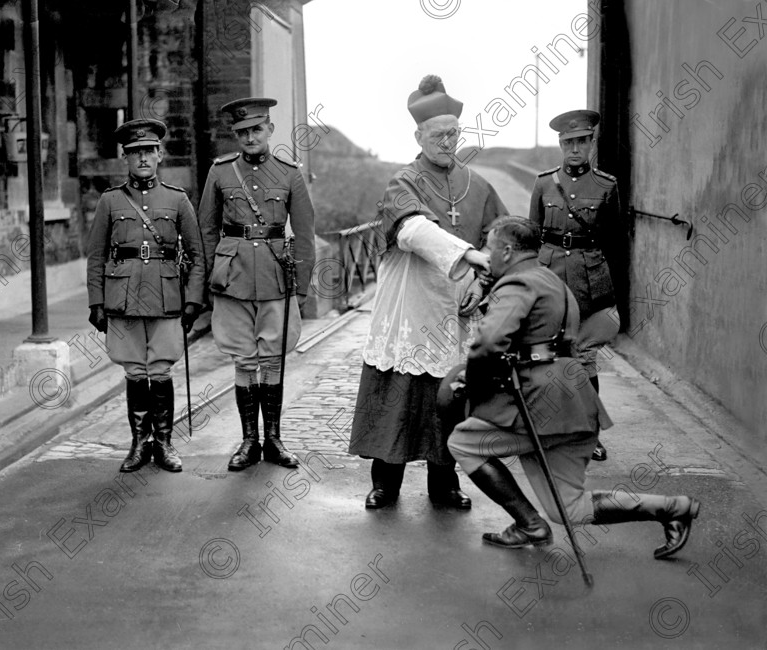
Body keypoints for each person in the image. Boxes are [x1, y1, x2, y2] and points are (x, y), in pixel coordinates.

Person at [446, 216, 699, 559]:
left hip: (538, 402)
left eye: (489, 248)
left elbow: (489, 343)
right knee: (570, 508)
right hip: (572, 401)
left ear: (506, 250)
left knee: (464, 442)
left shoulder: (517, 284)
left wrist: (471, 385)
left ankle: (528, 525)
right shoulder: (552, 280)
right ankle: (673, 507)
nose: (486, 255)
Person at [348, 75, 508, 510]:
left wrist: (483, 281)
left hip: (459, 311)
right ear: (418, 136)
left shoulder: (478, 184)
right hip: (410, 308)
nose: (447, 142)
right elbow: (411, 229)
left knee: (451, 396)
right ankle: (386, 484)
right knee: (398, 395)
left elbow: (503, 241)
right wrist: (470, 256)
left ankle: (445, 484)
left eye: (453, 133)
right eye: (438, 135)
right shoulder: (403, 181)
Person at [198, 97, 315, 472]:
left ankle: (274, 439)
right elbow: (205, 231)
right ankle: (249, 441)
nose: (249, 137)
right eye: (242, 132)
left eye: (256, 130)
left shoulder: (290, 173)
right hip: (231, 278)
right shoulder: (219, 173)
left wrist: (302, 286)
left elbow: (307, 233)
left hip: (275, 276)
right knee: (243, 358)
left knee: (274, 356)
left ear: (270, 130)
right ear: (235, 135)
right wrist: (203, 284)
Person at [86, 118, 206, 473]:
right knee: (135, 371)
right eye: (134, 153)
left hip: (166, 295)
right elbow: (96, 255)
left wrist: (193, 300)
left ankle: (165, 443)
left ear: (159, 155)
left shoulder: (177, 199)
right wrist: (96, 302)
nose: (142, 159)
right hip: (121, 296)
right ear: (126, 158)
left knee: (161, 368)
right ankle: (139, 444)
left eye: (148, 152)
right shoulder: (110, 201)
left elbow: (198, 257)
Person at [528, 109, 622, 462]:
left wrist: (615, 295)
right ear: (560, 144)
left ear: (591, 143)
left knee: (584, 360)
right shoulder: (543, 183)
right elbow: (533, 237)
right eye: (569, 142)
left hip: (589, 281)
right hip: (550, 277)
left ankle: (588, 434)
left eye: (582, 141)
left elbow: (614, 244)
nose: (575, 149)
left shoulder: (606, 186)